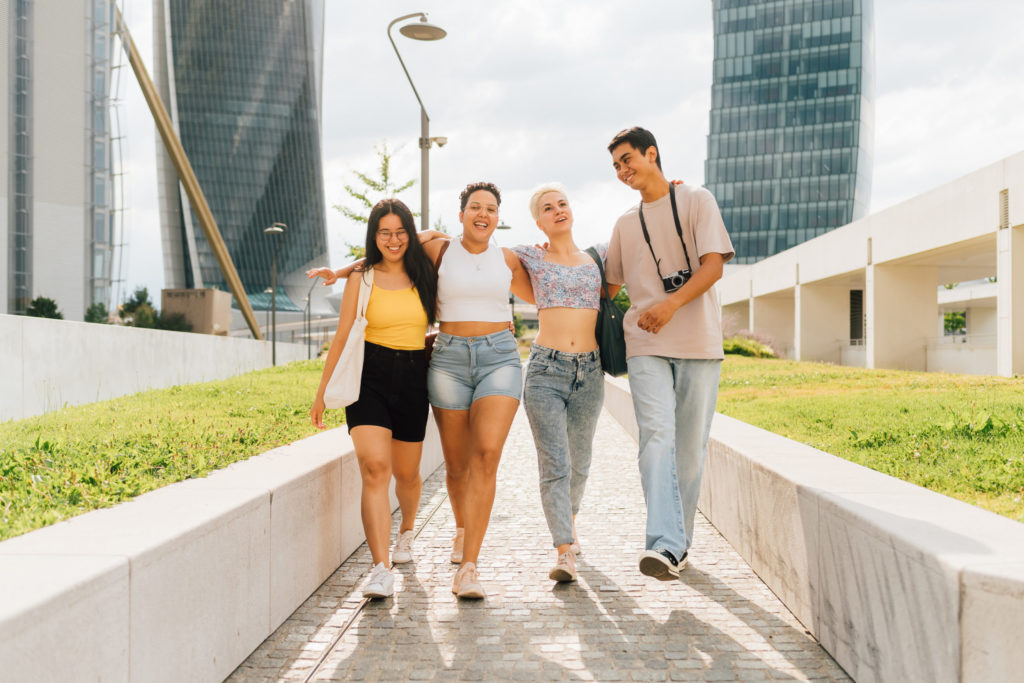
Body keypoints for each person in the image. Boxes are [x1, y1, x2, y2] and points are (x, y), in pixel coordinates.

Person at [311, 182, 534, 600]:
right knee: (398, 467)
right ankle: (383, 567)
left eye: (490, 208)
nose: (393, 239)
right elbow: (347, 326)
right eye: (473, 207)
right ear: (461, 212)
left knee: (441, 465)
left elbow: (542, 286)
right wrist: (343, 272)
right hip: (398, 369)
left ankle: (437, 548)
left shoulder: (471, 259)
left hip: (444, 365)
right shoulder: (402, 263)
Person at [603, 126, 734, 581]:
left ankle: (676, 545)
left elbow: (713, 265)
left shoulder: (697, 200)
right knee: (656, 439)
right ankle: (665, 544)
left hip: (698, 343)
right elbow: (608, 284)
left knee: (689, 453)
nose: (622, 170)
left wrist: (671, 305)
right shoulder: (624, 223)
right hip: (645, 345)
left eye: (627, 159)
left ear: (651, 153)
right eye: (616, 165)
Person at [309, 198, 437, 600]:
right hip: (370, 377)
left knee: (408, 475)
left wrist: (411, 239)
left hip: (415, 375)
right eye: (384, 232)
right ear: (373, 235)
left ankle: (406, 532)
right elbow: (343, 334)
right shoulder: (362, 278)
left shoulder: (426, 269)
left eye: (400, 232)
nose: (393, 240)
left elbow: (438, 236)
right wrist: (321, 394)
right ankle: (380, 568)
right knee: (374, 469)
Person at [508, 183, 619, 583]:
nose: (558, 211)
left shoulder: (598, 257)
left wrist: (670, 195)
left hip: (589, 372)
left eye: (563, 204)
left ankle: (569, 524)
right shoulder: (529, 257)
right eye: (548, 208)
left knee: (581, 462)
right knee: (555, 463)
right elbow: (475, 247)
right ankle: (563, 550)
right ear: (538, 221)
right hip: (545, 372)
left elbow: (640, 237)